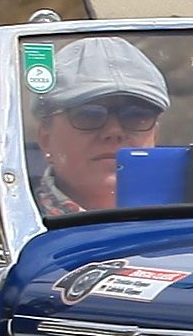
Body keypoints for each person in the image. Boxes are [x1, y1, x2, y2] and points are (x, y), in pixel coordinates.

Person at [24, 36, 167, 214]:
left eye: (136, 116)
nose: (114, 131)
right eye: (88, 115)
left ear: (155, 136)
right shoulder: (3, 226)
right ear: (46, 138)